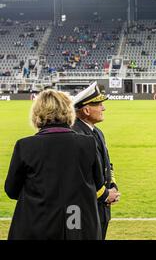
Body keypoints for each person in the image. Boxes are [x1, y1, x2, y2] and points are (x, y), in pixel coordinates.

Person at [4, 89, 104, 240]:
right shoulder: (88, 143)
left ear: (37, 113)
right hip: (77, 224)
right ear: (68, 111)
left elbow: (11, 190)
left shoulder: (25, 146)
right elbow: (99, 183)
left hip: (37, 225)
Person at [72, 82, 120, 240]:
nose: (103, 108)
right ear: (86, 110)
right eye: (99, 104)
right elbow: (81, 176)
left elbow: (107, 164)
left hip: (101, 208)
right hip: (85, 211)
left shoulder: (96, 131)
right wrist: (106, 194)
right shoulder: (77, 135)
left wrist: (112, 185)